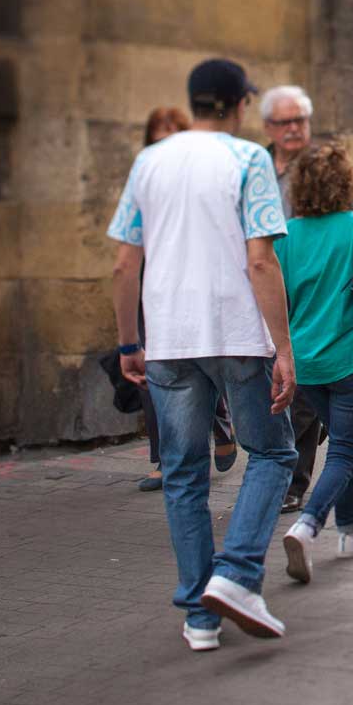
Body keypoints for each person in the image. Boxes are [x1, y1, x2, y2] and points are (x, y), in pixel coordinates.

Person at [108, 58, 299, 649]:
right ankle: (238, 574)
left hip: (169, 338)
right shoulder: (248, 160)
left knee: (183, 474)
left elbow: (123, 262)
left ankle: (199, 615)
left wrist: (128, 341)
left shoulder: (149, 161)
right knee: (272, 454)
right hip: (237, 332)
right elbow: (261, 259)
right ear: (241, 104)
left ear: (193, 103)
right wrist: (284, 348)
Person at [275, 144, 353, 584]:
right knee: (345, 450)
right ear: (346, 182)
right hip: (352, 360)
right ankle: (307, 527)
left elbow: (277, 297)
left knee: (341, 449)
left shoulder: (287, 235)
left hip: (306, 364)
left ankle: (352, 531)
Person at [133, 108, 238, 493]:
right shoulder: (144, 180)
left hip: (198, 283)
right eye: (158, 140)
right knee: (157, 369)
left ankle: (221, 427)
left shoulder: (203, 182)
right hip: (156, 285)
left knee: (202, 361)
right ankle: (163, 458)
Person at [260, 85, 323, 514]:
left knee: (298, 390)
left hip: (308, 287)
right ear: (269, 127)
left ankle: (293, 482)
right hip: (262, 285)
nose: (294, 129)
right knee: (270, 388)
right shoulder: (254, 167)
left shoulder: (322, 166)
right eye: (285, 121)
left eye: (300, 120)